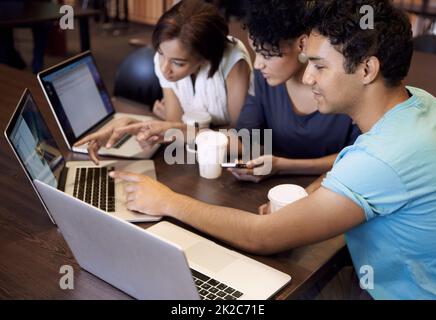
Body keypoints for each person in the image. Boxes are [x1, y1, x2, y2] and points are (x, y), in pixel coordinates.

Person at [109, 0, 436, 299]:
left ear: (367, 70)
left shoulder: (378, 159)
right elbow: (349, 164)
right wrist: (308, 196)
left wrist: (167, 200)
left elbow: (262, 236)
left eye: (319, 66)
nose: (307, 77)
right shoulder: (418, 102)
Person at [75, 0, 252, 162]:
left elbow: (240, 134)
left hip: (224, 157)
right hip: (193, 152)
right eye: (160, 53)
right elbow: (174, 124)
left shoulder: (233, 62)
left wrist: (173, 125)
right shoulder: (165, 61)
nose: (164, 68)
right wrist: (131, 126)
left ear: (205, 58)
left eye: (178, 63)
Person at [228, 0, 360, 183]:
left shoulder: (346, 83)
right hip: (272, 190)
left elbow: (360, 159)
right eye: (255, 52)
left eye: (267, 55)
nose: (257, 64)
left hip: (333, 188)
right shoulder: (264, 78)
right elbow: (248, 137)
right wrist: (199, 139)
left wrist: (283, 166)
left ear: (302, 44)